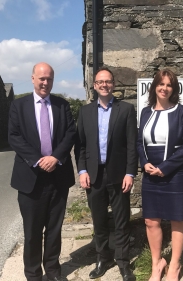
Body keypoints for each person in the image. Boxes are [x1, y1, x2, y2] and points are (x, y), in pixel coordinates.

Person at [8, 62, 76, 281]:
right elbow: (14, 137)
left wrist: (55, 157)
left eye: (49, 79)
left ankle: (53, 271)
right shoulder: (19, 106)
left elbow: (70, 133)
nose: (45, 83)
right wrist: (38, 160)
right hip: (31, 179)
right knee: (32, 232)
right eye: (42, 78)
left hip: (58, 177)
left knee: (54, 230)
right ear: (33, 79)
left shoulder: (62, 105)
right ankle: (33, 274)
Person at [75, 67, 138, 281]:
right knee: (99, 220)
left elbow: (132, 145)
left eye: (108, 81)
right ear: (94, 85)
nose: (104, 85)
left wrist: (130, 173)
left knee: (121, 221)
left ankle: (123, 262)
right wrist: (82, 170)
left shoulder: (126, 110)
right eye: (100, 81)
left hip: (119, 175)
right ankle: (103, 258)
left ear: (113, 84)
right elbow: (80, 145)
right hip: (93, 176)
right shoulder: (85, 112)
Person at [136, 69, 183, 281]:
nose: (164, 88)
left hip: (176, 174)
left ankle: (174, 266)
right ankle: (157, 264)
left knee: (177, 220)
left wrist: (166, 166)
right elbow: (139, 142)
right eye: (161, 84)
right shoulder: (145, 112)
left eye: (169, 85)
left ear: (174, 89)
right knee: (151, 221)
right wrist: (145, 163)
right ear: (154, 87)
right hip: (150, 173)